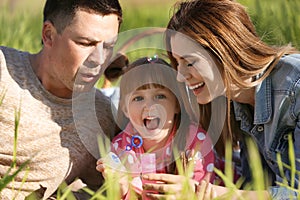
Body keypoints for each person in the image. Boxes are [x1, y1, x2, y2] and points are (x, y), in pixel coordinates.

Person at [141, 0, 300, 199]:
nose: (180, 76)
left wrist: (207, 193)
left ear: (226, 49)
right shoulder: (237, 101)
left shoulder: (295, 87)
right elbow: (256, 188)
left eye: (190, 62)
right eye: (177, 63)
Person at [0, 0, 122, 199]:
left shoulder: (101, 116)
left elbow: (110, 189)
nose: (99, 60)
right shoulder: (4, 71)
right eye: (85, 43)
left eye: (108, 47)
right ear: (48, 35)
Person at [96, 56, 215, 199]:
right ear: (125, 109)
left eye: (160, 96)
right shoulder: (121, 147)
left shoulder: (195, 141)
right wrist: (121, 188)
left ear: (177, 104)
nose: (150, 106)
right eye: (138, 98)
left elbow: (201, 192)